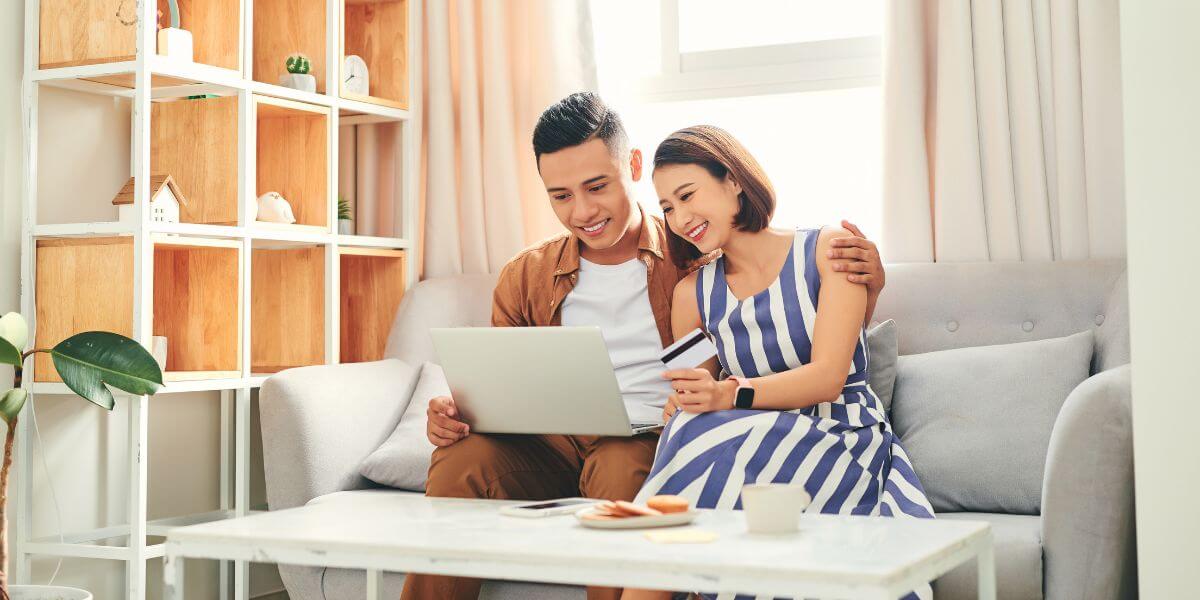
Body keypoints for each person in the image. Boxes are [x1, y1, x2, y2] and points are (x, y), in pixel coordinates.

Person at [400, 94, 889, 600]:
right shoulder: (525, 275)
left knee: (619, 466)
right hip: (549, 445)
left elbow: (779, 321)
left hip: (641, 442)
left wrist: (868, 287)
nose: (583, 211)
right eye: (561, 196)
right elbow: (498, 389)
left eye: (596, 187)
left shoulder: (692, 261)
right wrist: (457, 414)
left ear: (631, 165)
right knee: (460, 462)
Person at [622, 125, 934, 600]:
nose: (680, 218)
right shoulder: (690, 295)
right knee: (686, 429)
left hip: (839, 434)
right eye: (667, 208)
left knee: (699, 437)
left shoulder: (829, 249)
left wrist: (727, 395)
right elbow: (692, 391)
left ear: (732, 181)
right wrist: (683, 403)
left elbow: (829, 379)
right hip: (748, 439)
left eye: (687, 196)